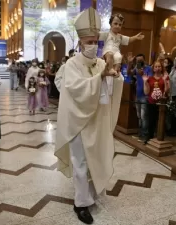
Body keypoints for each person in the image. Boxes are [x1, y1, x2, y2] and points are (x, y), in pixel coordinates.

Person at [54, 7, 124, 224]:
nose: (93, 45)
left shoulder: (101, 62)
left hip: (97, 120)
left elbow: (111, 84)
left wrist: (115, 76)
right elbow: (73, 88)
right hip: (78, 121)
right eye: (89, 41)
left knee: (98, 158)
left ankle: (92, 195)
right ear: (80, 41)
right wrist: (99, 78)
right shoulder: (72, 65)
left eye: (96, 41)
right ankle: (80, 203)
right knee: (81, 162)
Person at [127, 53, 152, 142]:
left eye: (140, 60)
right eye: (137, 61)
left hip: (145, 96)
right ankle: (140, 134)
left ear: (144, 60)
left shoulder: (149, 68)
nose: (139, 62)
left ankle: (145, 135)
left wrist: (142, 74)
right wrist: (130, 63)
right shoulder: (136, 68)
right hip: (138, 95)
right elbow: (129, 73)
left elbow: (150, 80)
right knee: (139, 116)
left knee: (144, 116)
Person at [143, 61, 169, 142]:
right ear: (153, 69)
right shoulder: (150, 78)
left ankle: (159, 139)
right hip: (151, 103)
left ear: (161, 68)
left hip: (161, 104)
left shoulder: (165, 77)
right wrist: (145, 82)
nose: (157, 68)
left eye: (159, 66)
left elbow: (167, 91)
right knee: (150, 121)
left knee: (160, 122)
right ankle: (149, 138)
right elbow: (146, 92)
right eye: (156, 67)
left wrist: (165, 81)